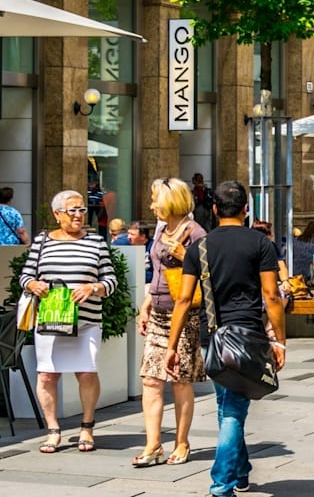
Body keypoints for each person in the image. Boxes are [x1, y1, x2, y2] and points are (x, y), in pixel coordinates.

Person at [165, 181, 287, 497]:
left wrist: (171, 345)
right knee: (232, 409)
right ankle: (222, 485)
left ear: (215, 210)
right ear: (246, 209)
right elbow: (272, 295)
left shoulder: (198, 248)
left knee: (227, 403)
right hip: (249, 338)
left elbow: (183, 299)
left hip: (214, 339)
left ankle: (240, 470)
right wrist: (280, 341)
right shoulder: (260, 243)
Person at [20, 189, 119, 454]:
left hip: (86, 320)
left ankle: (87, 426)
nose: (78, 215)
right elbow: (25, 276)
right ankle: (53, 430)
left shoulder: (96, 242)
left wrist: (93, 288)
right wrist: (33, 284)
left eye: (82, 210)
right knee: (46, 376)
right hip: (51, 320)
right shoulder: (42, 241)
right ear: (57, 214)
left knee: (86, 372)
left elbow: (111, 280)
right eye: (72, 210)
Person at [133, 178, 209, 468]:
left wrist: (185, 256)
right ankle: (153, 443)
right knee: (150, 379)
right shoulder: (160, 229)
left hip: (184, 314)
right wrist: (146, 305)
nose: (152, 205)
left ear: (172, 201)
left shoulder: (196, 232)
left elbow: (208, 273)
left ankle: (182, 442)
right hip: (158, 312)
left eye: (156, 200)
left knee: (179, 380)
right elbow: (157, 272)